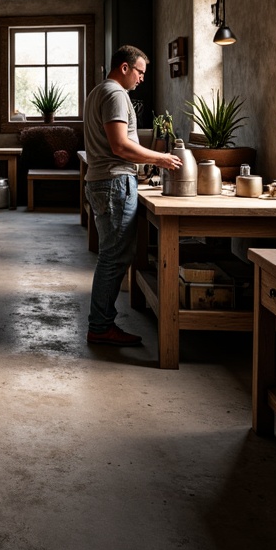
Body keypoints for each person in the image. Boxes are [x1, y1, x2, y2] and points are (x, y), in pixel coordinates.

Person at [82, 45, 182, 346]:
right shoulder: (115, 95)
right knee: (113, 258)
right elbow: (120, 146)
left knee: (113, 256)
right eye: (139, 72)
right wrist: (159, 158)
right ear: (124, 67)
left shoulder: (99, 92)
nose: (141, 79)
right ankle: (100, 327)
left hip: (104, 182)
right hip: (114, 183)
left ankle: (101, 324)